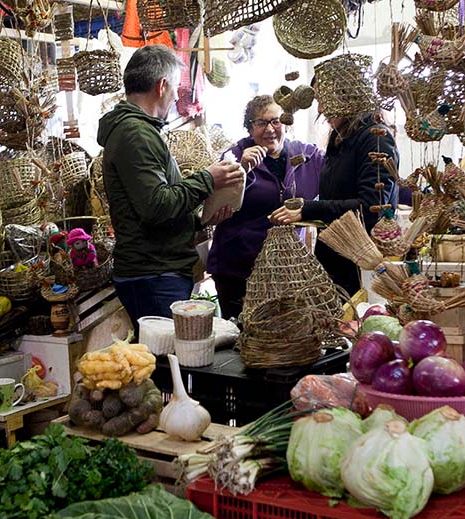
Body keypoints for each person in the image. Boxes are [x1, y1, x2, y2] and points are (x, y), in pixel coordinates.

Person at [97, 45, 244, 327]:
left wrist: (198, 222)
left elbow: (152, 206)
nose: (178, 95)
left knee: (167, 364)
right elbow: (157, 207)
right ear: (162, 86)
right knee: (167, 365)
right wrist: (208, 178)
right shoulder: (136, 133)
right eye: (176, 87)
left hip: (156, 271)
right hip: (153, 274)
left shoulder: (139, 130)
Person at [207, 95, 324, 320]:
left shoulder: (306, 155)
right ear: (249, 128)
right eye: (261, 123)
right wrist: (242, 169)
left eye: (276, 121)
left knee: (280, 334)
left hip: (285, 268)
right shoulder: (234, 156)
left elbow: (337, 172)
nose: (270, 129)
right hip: (238, 268)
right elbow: (214, 205)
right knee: (241, 333)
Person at [269, 98, 398, 298]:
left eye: (323, 99)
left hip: (359, 261)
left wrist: (309, 209)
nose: (320, 108)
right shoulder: (342, 139)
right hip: (337, 258)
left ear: (345, 94)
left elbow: (371, 207)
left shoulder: (375, 138)